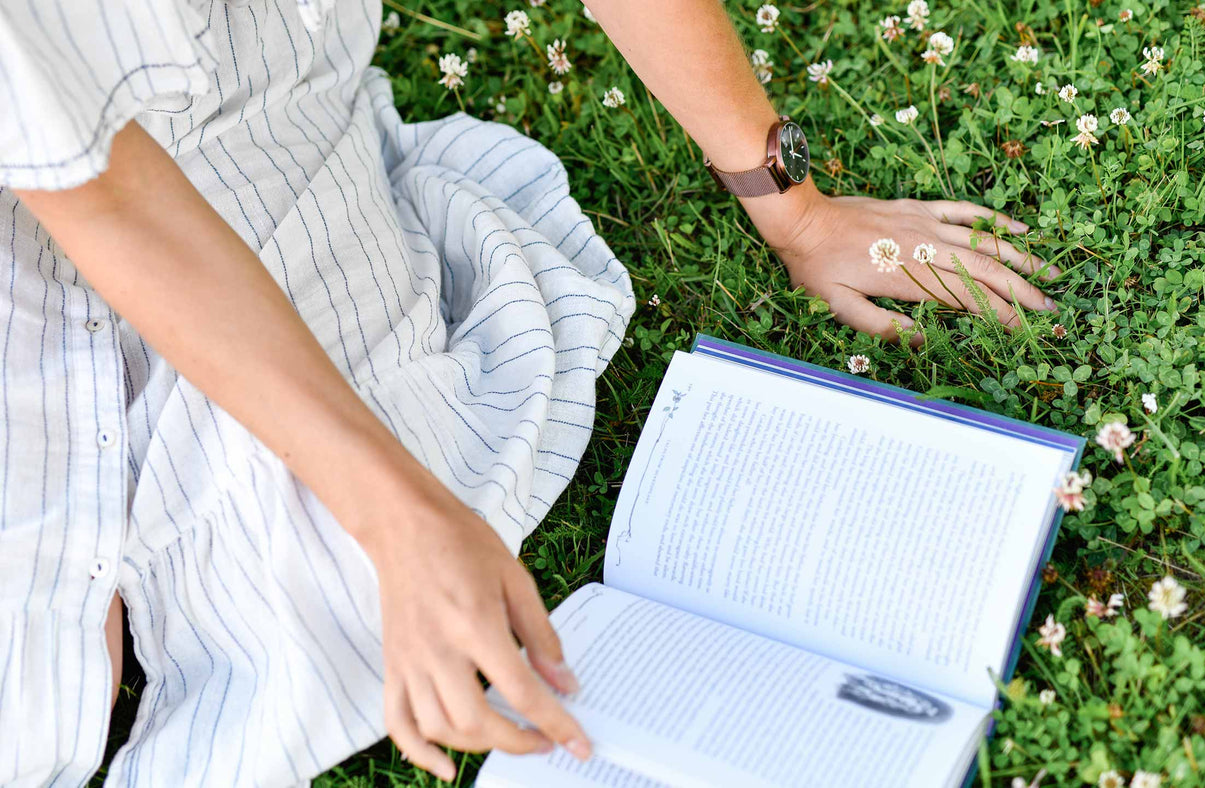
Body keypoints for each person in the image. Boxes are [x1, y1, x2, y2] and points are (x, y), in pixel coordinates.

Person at [0, 0, 1059, 784]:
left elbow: (129, 189)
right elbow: (94, 199)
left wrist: (789, 205)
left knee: (323, 599)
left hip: (245, 129)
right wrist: (408, 522)